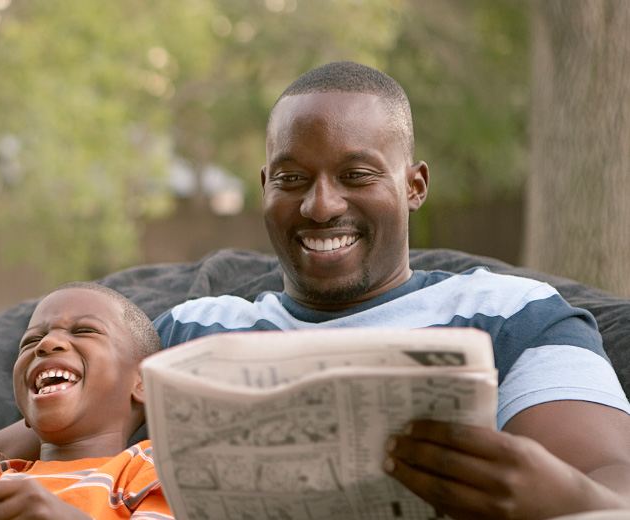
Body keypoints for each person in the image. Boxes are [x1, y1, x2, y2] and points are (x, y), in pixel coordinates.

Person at [153, 61, 630, 519]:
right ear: (265, 188)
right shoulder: (189, 329)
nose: (320, 206)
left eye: (356, 175)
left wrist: (559, 496)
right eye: (292, 179)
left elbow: (614, 481)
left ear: (415, 186)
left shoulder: (511, 314)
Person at [0, 282, 173, 520]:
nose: (45, 344)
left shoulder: (152, 471)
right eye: (31, 341)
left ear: (142, 382)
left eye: (84, 330)